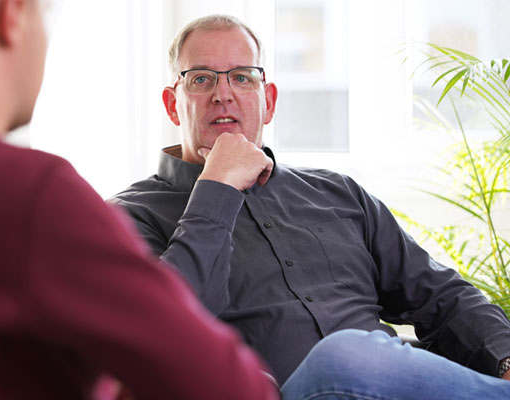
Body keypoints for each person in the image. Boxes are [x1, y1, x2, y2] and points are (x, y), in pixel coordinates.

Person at [112, 14, 510, 399]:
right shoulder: (128, 216)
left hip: (391, 387)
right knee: (343, 355)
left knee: (358, 353)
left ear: (268, 101)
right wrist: (218, 187)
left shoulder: (338, 193)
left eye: (242, 77)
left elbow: (444, 295)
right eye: (201, 79)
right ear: (171, 104)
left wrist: (505, 358)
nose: (223, 93)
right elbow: (162, 329)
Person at [0, 2, 281, 399]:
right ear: (12, 16)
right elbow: (223, 382)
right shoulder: (28, 194)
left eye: (241, 78)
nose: (224, 95)